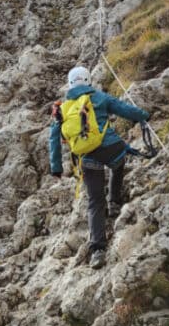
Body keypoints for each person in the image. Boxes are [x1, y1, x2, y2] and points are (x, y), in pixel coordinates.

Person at [49, 66, 150, 269]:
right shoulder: (100, 97)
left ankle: (97, 250)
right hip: (111, 148)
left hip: (87, 156)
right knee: (118, 164)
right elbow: (124, 109)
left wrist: (56, 168)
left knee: (95, 201)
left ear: (70, 84)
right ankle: (114, 202)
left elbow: (54, 138)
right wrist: (143, 115)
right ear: (88, 81)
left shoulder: (63, 108)